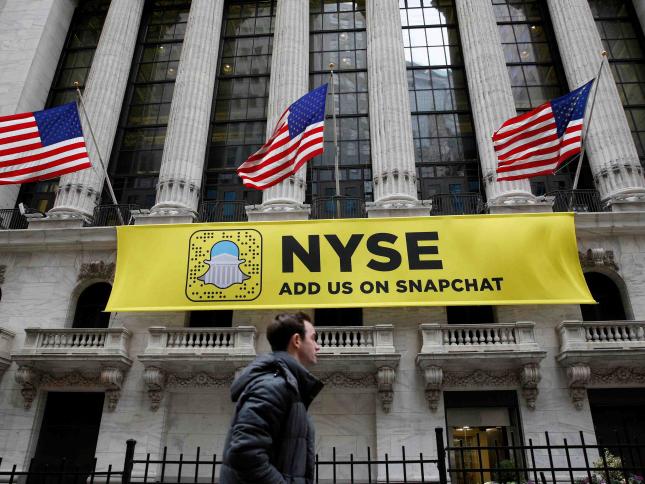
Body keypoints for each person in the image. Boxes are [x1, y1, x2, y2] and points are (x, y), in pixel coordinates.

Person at [220, 312, 323, 484]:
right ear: (297, 340)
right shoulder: (272, 385)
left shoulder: (285, 384)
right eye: (313, 338)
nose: (318, 346)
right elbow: (245, 453)